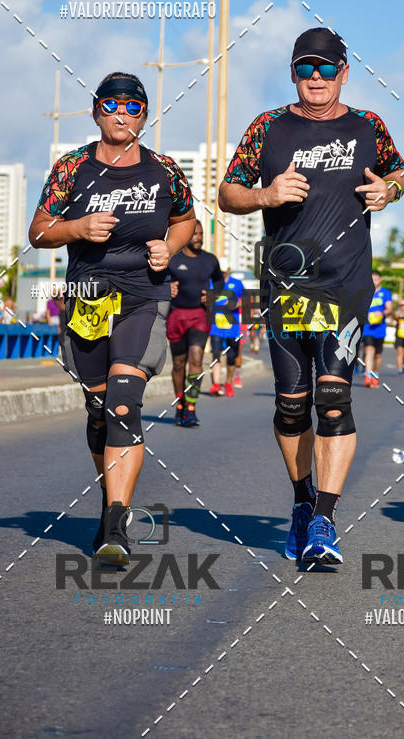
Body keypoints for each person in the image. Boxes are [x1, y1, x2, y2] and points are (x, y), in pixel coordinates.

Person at [219, 26, 404, 565]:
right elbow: (226, 192)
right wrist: (265, 194)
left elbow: (399, 170)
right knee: (290, 406)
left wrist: (388, 189)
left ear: (344, 72)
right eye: (306, 67)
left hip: (345, 283)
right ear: (293, 73)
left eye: (327, 68)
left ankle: (325, 518)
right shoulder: (268, 128)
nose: (317, 78)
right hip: (285, 287)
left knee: (332, 401)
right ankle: (302, 501)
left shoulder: (368, 125)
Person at [29, 71, 194, 565]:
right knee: (98, 412)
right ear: (97, 110)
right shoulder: (72, 168)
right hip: (86, 298)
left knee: (124, 403)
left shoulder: (164, 169)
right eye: (112, 105)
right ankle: (108, 505)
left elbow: (186, 219)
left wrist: (171, 245)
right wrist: (76, 226)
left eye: (133, 106)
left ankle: (117, 525)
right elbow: (39, 231)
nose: (122, 114)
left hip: (143, 295)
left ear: (145, 115)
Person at [167, 220, 224, 427]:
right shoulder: (173, 259)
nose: (199, 238)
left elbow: (219, 281)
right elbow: (155, 279)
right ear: (186, 236)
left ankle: (191, 407)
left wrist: (213, 294)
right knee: (179, 363)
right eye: (195, 234)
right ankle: (180, 403)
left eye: (200, 234)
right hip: (176, 316)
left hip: (200, 315)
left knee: (197, 358)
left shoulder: (210, 260)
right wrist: (167, 287)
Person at [209, 269, 244, 397]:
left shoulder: (237, 283)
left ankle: (228, 382)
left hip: (232, 328)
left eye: (224, 271)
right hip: (215, 327)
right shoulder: (211, 283)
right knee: (216, 355)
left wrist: (236, 304)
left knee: (231, 357)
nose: (222, 273)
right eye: (220, 270)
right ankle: (217, 385)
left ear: (228, 270)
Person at [361, 270, 392, 387]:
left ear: (380, 280)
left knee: (378, 354)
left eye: (376, 279)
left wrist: (382, 312)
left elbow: (389, 308)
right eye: (371, 279)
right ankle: (368, 376)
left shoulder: (386, 293)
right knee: (369, 350)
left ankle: (375, 375)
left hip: (380, 328)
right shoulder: (364, 292)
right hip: (367, 327)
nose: (374, 282)